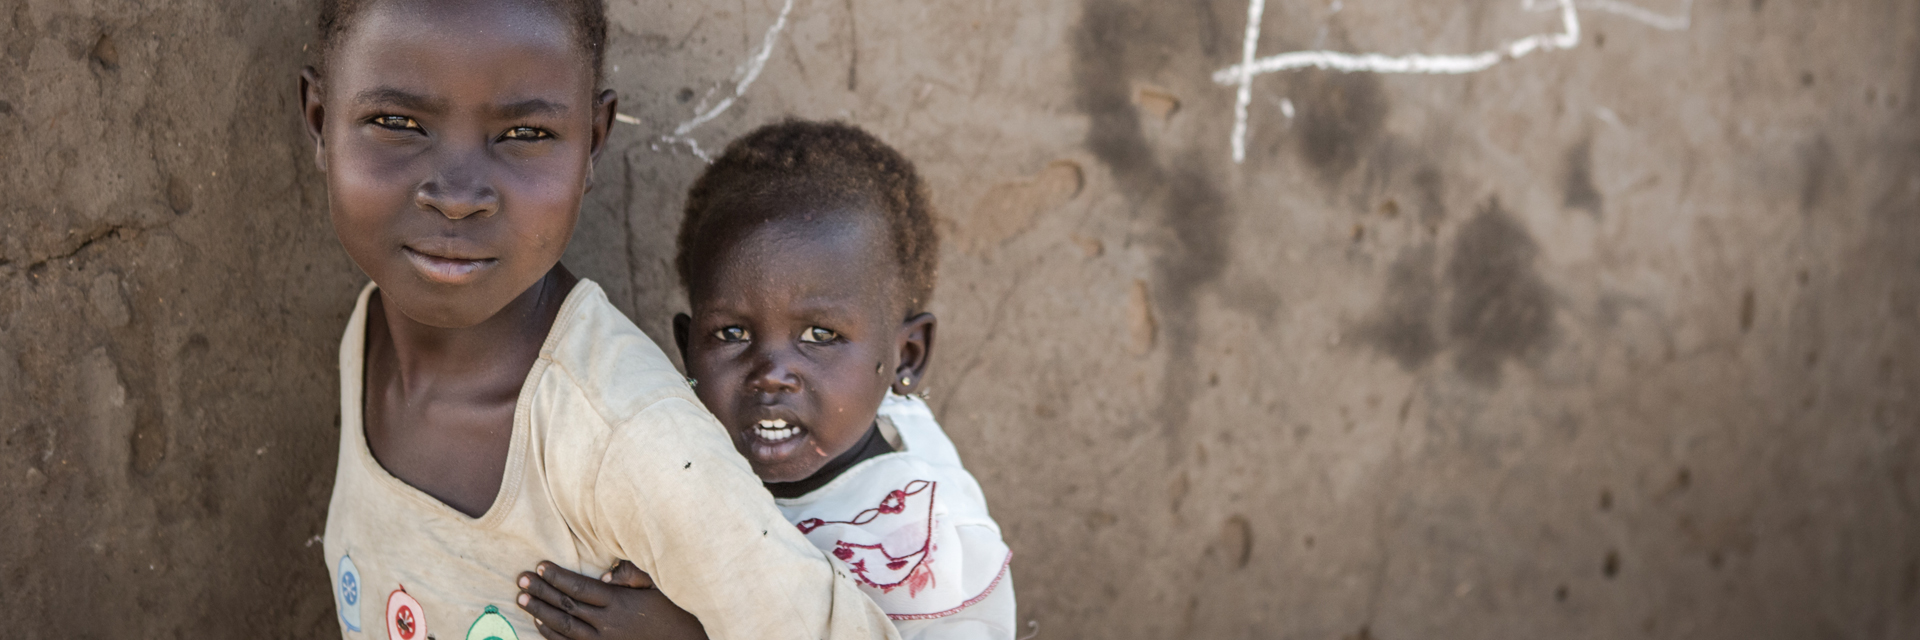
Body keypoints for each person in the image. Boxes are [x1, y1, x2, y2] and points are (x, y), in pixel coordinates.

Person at [299, 1, 897, 638]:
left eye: (524, 133)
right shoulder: (368, 334)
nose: (456, 195)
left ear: (593, 140)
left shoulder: (630, 440)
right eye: (397, 122)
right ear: (320, 122)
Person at [515, 121, 1017, 640]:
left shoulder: (931, 555)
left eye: (821, 335)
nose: (771, 374)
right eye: (731, 333)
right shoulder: (668, 457)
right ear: (687, 348)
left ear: (905, 357)